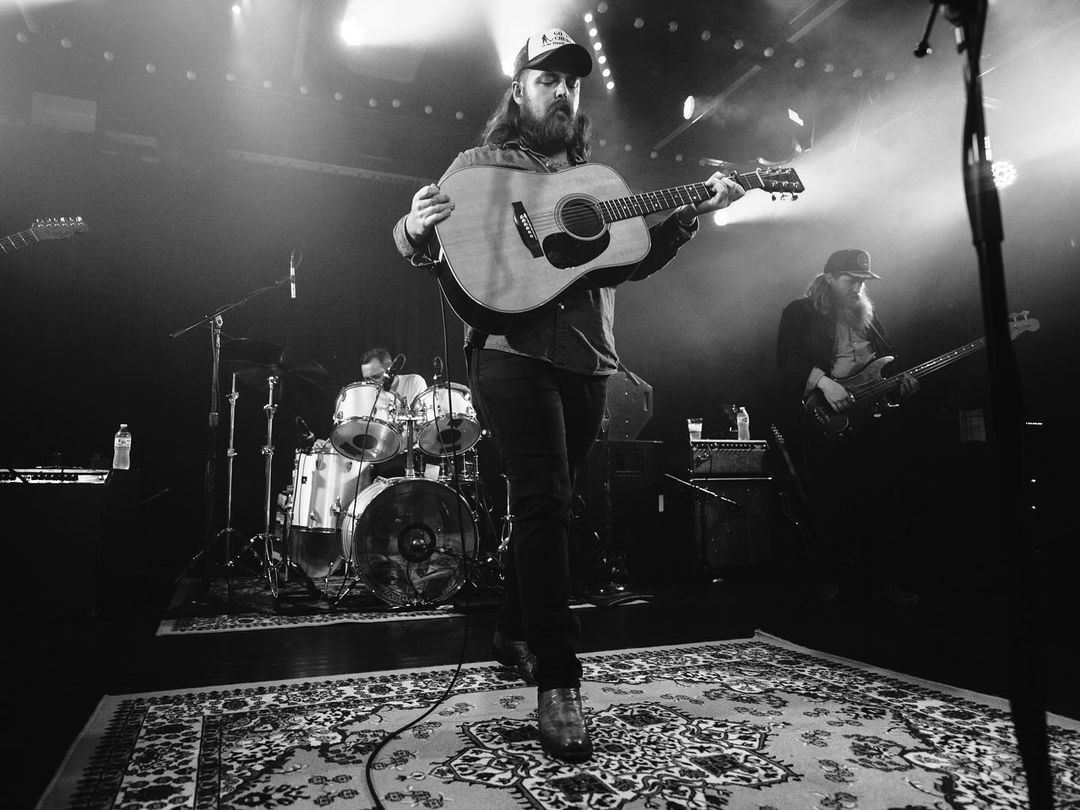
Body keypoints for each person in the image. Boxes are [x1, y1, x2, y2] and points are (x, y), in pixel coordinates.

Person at [391, 27, 744, 762]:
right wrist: (412, 230)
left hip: (588, 361)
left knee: (550, 503)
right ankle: (559, 680)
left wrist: (689, 215)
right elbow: (428, 243)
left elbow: (626, 266)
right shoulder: (478, 164)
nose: (561, 90)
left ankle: (512, 631)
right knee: (547, 499)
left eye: (571, 81)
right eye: (546, 77)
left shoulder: (596, 185)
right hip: (507, 356)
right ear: (518, 89)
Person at [776, 248, 920, 604]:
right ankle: (826, 578)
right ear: (828, 278)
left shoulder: (866, 314)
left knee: (879, 498)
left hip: (871, 416)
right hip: (827, 411)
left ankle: (878, 580)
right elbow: (787, 360)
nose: (858, 288)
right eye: (851, 280)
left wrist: (902, 380)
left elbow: (888, 358)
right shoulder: (800, 311)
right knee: (827, 498)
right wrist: (825, 383)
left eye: (862, 281)